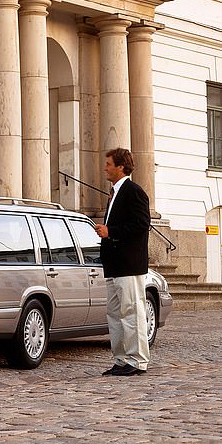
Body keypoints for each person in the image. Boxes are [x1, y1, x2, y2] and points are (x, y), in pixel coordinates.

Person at [94, 148, 151, 376]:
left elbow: (141, 226)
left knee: (131, 312)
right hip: (114, 266)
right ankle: (120, 359)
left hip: (129, 265)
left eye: (108, 164)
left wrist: (111, 232)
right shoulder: (114, 193)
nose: (105, 167)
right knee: (115, 314)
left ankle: (137, 361)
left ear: (120, 167)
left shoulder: (134, 192)